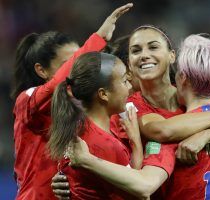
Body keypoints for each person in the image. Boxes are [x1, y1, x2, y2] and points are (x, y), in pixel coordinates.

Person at [52, 26, 210, 199]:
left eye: (153, 47)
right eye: (136, 50)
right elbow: (161, 130)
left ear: (172, 56)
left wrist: (206, 136)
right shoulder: (129, 105)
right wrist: (71, 177)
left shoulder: (204, 93)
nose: (145, 55)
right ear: (129, 64)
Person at [11, 3, 133, 200]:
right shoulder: (27, 101)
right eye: (69, 63)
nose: (77, 70)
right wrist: (98, 38)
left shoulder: (88, 106)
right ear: (41, 70)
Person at [48, 51, 143, 200]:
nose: (130, 86)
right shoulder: (106, 145)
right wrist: (136, 143)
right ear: (103, 94)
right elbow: (136, 191)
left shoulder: (74, 128)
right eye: (124, 81)